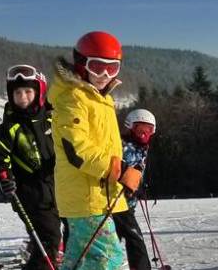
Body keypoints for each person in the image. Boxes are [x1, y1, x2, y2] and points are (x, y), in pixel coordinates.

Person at [49, 31, 132, 270]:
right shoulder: (73, 99)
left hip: (97, 194)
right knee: (107, 258)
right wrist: (119, 170)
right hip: (86, 197)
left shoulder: (100, 99)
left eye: (112, 68)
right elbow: (78, 150)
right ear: (81, 63)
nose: (105, 75)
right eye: (97, 66)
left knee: (80, 259)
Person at [0, 64, 60, 269]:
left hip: (59, 186)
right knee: (49, 238)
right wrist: (4, 178)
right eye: (17, 93)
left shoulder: (52, 117)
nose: (23, 97)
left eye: (28, 91)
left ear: (39, 91)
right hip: (29, 192)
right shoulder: (10, 127)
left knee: (67, 231)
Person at [111, 109, 156, 270]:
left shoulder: (141, 148)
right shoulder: (124, 147)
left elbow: (137, 171)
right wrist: (132, 188)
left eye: (148, 130)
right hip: (116, 204)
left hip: (127, 205)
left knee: (116, 240)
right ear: (130, 127)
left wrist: (140, 186)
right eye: (139, 129)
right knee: (134, 239)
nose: (144, 134)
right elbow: (115, 172)